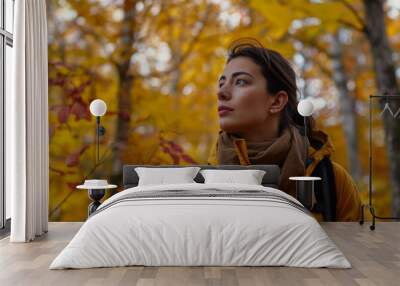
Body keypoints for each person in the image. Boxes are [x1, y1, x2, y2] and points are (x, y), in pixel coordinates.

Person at [207, 38, 361, 221]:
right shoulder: (204, 181)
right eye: (221, 83)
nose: (221, 92)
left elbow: (357, 246)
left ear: (277, 101)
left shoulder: (332, 181)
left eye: (240, 82)